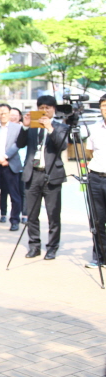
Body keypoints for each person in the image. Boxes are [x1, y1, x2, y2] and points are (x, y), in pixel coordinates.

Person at [17, 95, 69, 260]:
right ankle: (34, 246)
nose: (44, 110)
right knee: (32, 214)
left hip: (52, 174)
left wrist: (49, 128)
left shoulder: (60, 127)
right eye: (41, 108)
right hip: (32, 174)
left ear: (54, 109)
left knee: (53, 215)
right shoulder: (32, 126)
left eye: (48, 108)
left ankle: (52, 247)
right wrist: (24, 127)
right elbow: (19, 144)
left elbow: (62, 145)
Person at [0, 104, 23, 231]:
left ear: (9, 113)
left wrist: (5, 157)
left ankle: (14, 220)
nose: (3, 115)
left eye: (5, 112)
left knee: (14, 194)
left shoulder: (18, 128)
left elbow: (18, 144)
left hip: (10, 164)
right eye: (0, 113)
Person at [85, 94, 106, 269]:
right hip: (96, 178)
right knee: (97, 220)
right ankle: (100, 257)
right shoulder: (95, 128)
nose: (105, 109)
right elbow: (90, 152)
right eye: (103, 106)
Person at [10, 107, 28, 223]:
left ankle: (25, 214)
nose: (13, 117)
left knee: (24, 191)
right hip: (10, 163)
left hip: (23, 163)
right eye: (11, 114)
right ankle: (11, 214)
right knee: (13, 193)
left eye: (16, 114)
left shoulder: (25, 128)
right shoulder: (4, 129)